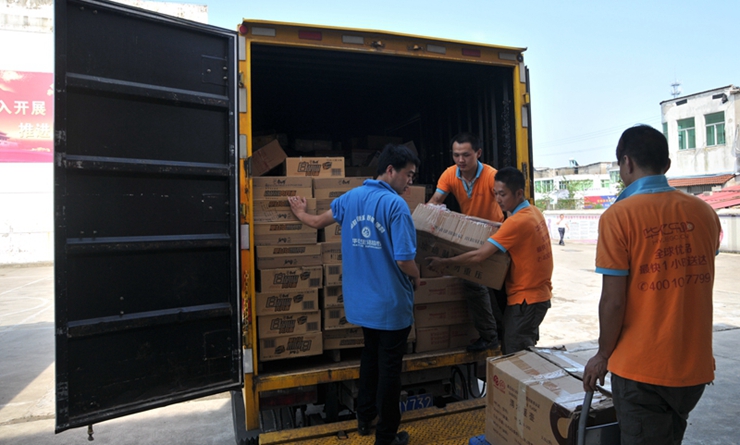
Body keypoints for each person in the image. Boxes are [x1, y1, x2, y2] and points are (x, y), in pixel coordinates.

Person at [583, 125, 722, 445]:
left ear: (626, 162)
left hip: (642, 371)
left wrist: (603, 353)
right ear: (667, 165)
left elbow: (613, 301)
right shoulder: (704, 212)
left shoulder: (618, 217)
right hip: (694, 368)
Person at [289, 144, 421, 445]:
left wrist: (300, 212)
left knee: (370, 358)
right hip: (391, 304)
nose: (410, 182)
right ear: (390, 170)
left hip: (362, 304)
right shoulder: (396, 206)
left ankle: (364, 419)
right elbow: (404, 260)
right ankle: (386, 437)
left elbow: (317, 222)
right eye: (408, 175)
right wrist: (417, 274)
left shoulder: (351, 198)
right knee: (389, 371)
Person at [427, 167, 553, 354]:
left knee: (514, 354)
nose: (498, 199)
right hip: (535, 296)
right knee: (520, 350)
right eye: (495, 193)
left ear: (519, 193)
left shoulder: (516, 222)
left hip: (527, 299)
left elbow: (479, 256)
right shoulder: (534, 212)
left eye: (503, 194)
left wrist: (445, 263)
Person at [427, 132, 505, 352]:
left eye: (466, 155)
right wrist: (423, 220)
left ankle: (493, 336)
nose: (460, 160)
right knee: (478, 284)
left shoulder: (491, 176)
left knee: (485, 285)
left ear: (478, 153)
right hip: (470, 235)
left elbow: (507, 205)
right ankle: (494, 335)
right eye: (456, 155)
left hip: (494, 235)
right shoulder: (450, 174)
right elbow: (436, 201)